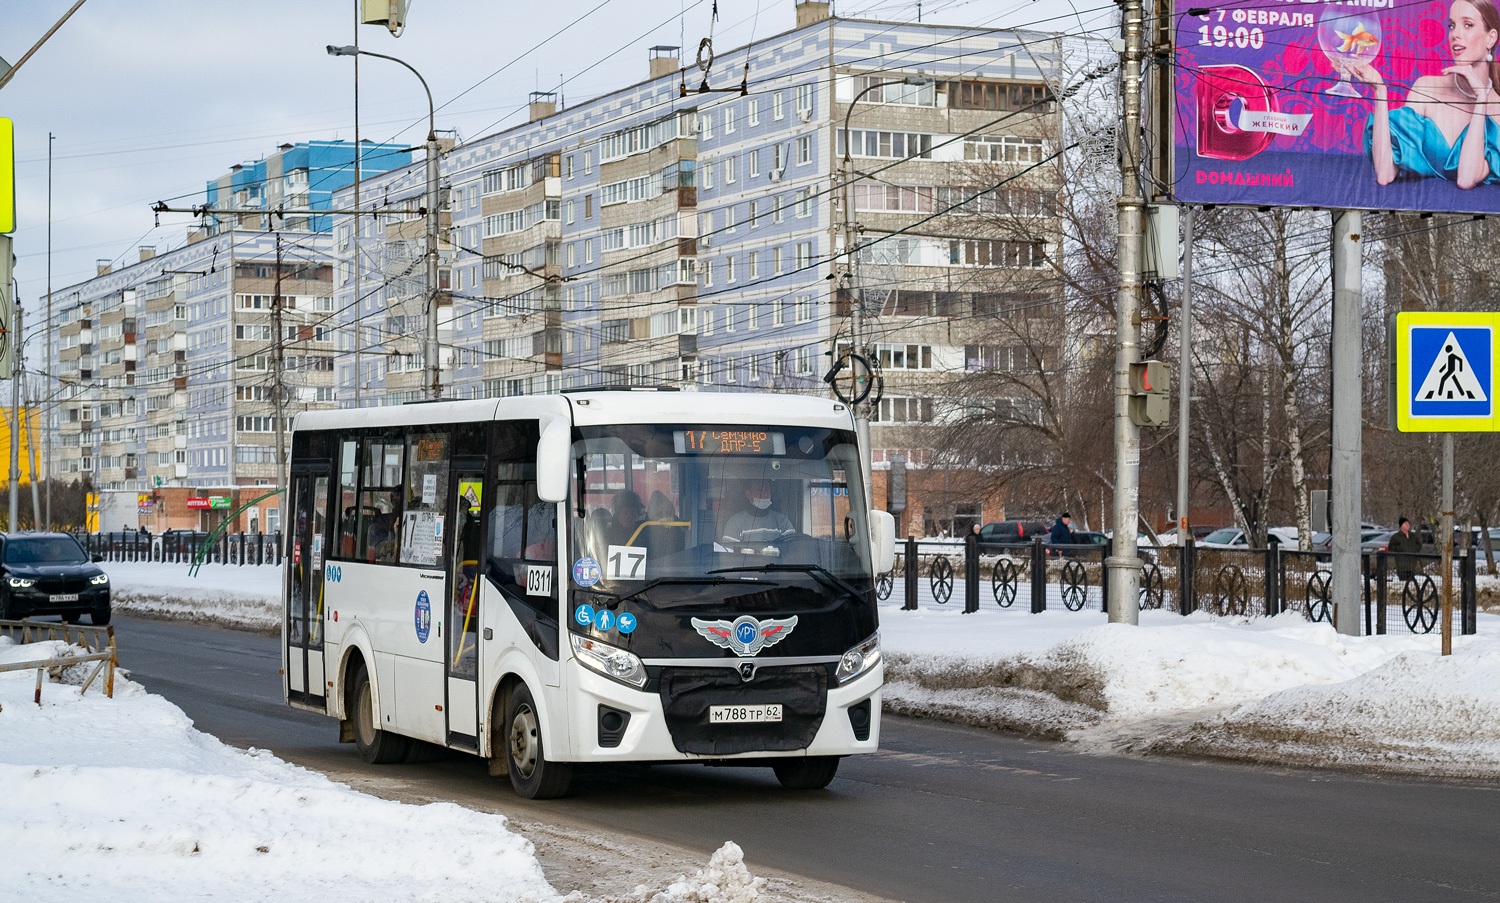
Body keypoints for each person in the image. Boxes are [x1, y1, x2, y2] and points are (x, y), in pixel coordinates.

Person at [1350, 0, 1500, 188]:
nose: (1456, 35)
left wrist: (1481, 99)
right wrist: (1380, 91)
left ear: (1491, 38)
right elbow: (1385, 173)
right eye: (1452, 26)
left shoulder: (1497, 109)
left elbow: (1466, 180)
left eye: (1467, 25)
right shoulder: (1426, 88)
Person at [722, 479, 795, 546]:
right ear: (748, 494)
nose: (764, 494)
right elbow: (729, 555)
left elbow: (793, 551)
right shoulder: (735, 522)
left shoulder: (782, 521)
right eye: (759, 490)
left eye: (766, 490)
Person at [1388, 516, 1423, 583]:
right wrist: (1400, 549)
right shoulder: (1396, 537)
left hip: (1412, 565)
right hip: (1402, 566)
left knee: (1412, 583)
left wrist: (1414, 550)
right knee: (1404, 584)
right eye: (1405, 523)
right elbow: (1391, 548)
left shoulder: (1413, 536)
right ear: (1401, 526)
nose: (1407, 525)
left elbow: (1419, 545)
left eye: (1408, 523)